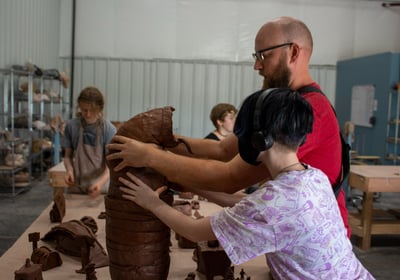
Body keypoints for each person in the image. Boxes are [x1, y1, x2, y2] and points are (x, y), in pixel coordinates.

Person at [106, 16, 350, 237]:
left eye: (263, 55)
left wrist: (149, 156)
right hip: (292, 244)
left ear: (293, 52)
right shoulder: (281, 104)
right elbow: (223, 149)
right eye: (256, 57)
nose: (257, 66)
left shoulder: (309, 111)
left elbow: (230, 177)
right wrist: (161, 138)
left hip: (318, 247)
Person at [118, 89, 374, 279]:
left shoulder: (274, 204)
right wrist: (191, 185)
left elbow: (193, 231)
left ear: (259, 139)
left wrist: (151, 203)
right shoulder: (312, 176)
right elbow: (251, 206)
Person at [62, 86, 117, 198]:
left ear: (100, 109)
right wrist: (69, 171)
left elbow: (111, 165)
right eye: (84, 110)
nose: (87, 114)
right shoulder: (72, 126)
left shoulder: (108, 129)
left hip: (101, 189)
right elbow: (67, 157)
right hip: (76, 186)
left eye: (92, 110)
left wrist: (100, 183)